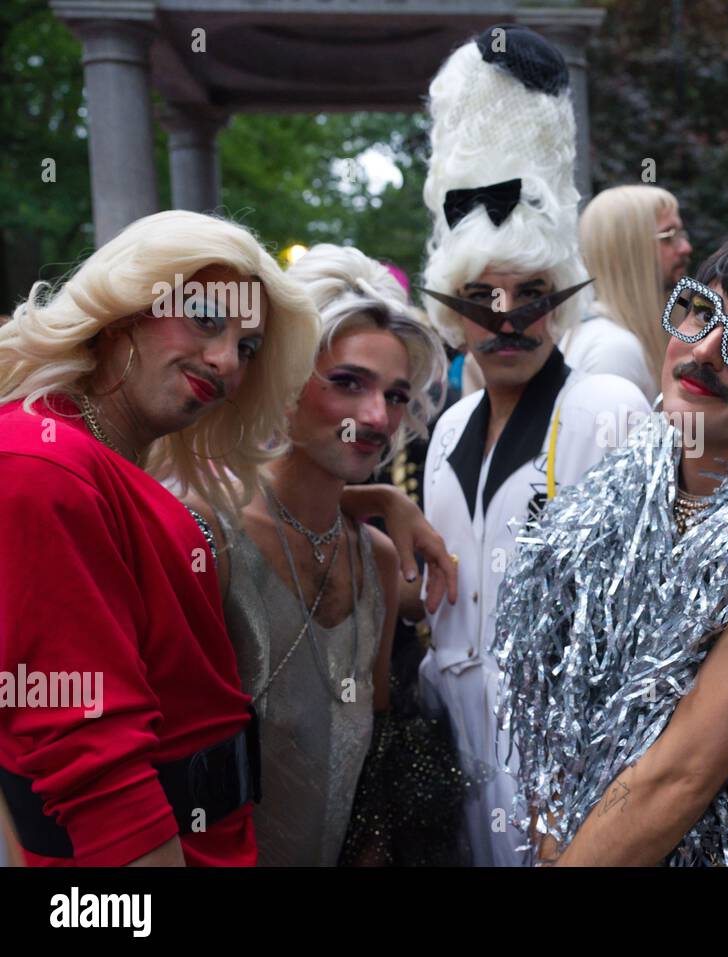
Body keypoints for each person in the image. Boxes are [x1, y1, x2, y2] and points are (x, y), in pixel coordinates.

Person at [496, 233, 728, 865]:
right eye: (700, 311)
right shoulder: (600, 503)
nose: (703, 351)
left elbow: (678, 775)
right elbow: (555, 733)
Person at [0, 209, 319, 865]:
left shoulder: (87, 456)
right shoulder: (44, 460)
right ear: (126, 308)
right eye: (205, 317)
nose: (228, 360)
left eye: (248, 346)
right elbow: (93, 762)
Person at [415, 24, 650, 866]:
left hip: (574, 760)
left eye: (531, 292)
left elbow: (644, 621)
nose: (506, 316)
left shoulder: (607, 408)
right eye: (481, 294)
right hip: (465, 756)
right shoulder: (444, 430)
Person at [177, 243, 442, 866]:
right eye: (348, 383)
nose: (376, 417)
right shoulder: (208, 533)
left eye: (397, 395)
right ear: (288, 382)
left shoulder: (375, 558)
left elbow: (369, 759)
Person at [570, 185, 689, 401]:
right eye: (669, 236)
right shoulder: (613, 350)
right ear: (629, 250)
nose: (685, 248)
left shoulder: (613, 337)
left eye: (681, 234)